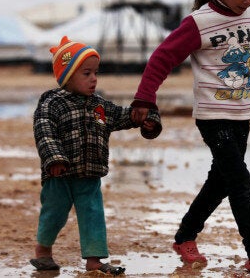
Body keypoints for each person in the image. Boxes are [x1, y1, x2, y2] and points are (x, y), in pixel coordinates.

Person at [129, 0, 250, 275]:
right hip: (212, 116)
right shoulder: (199, 23)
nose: (247, 0)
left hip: (242, 114)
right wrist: (145, 98)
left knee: (221, 181)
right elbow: (162, 57)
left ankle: (185, 237)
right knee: (240, 181)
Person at [30, 36, 161, 275]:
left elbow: (123, 116)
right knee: (54, 213)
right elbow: (44, 131)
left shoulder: (99, 106)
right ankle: (43, 251)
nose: (94, 79)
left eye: (95, 73)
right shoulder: (52, 104)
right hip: (59, 173)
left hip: (90, 173)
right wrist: (54, 158)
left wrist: (146, 118)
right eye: (86, 73)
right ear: (67, 76)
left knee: (93, 214)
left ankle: (95, 260)